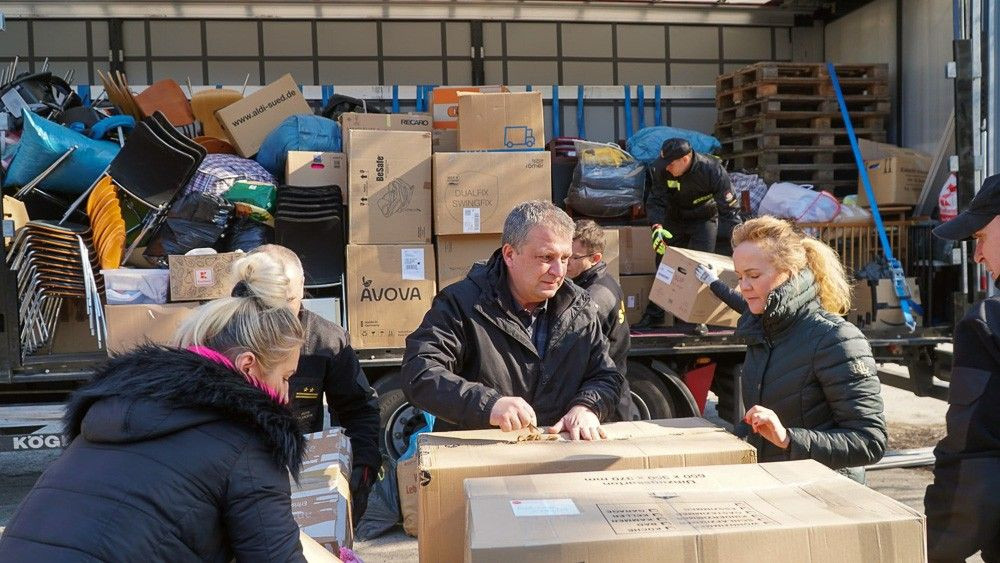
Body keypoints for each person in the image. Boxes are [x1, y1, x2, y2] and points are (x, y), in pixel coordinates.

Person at [0, 252, 309, 561]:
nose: (286, 393)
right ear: (247, 367)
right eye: (285, 377)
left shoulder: (118, 406)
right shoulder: (248, 441)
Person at [402, 200, 624, 440]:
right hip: (480, 460)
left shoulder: (580, 307)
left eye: (565, 258)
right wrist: (488, 405)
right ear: (509, 254)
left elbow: (606, 374)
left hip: (559, 459)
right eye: (546, 257)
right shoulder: (460, 304)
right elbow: (420, 372)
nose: (559, 272)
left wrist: (587, 406)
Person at [694, 216, 886, 483]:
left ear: (789, 273)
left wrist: (788, 438)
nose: (743, 287)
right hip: (780, 489)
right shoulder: (764, 331)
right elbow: (767, 420)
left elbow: (870, 441)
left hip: (827, 497)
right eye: (739, 277)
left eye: (753, 276)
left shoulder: (835, 338)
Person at [251, 245, 381, 524]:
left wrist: (361, 466)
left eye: (289, 300)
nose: (281, 313)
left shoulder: (327, 342)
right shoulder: (225, 336)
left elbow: (358, 408)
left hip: (302, 475)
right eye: (270, 301)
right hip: (240, 471)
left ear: (303, 288)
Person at [924, 174, 1000, 562]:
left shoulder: (987, 324)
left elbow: (976, 461)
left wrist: (932, 548)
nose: (977, 255)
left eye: (980, 238)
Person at [637, 137, 741, 328]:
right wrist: (657, 226)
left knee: (701, 267)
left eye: (670, 164)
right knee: (665, 264)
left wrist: (740, 243)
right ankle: (655, 314)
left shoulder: (712, 170)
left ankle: (697, 318)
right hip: (674, 219)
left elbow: (729, 210)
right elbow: (656, 200)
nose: (666, 168)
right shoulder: (662, 170)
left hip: (704, 219)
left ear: (685, 159)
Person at [566, 219, 638, 421]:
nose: (566, 262)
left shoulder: (595, 297)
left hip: (603, 399)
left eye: (573, 257)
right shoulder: (601, 282)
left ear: (595, 258)